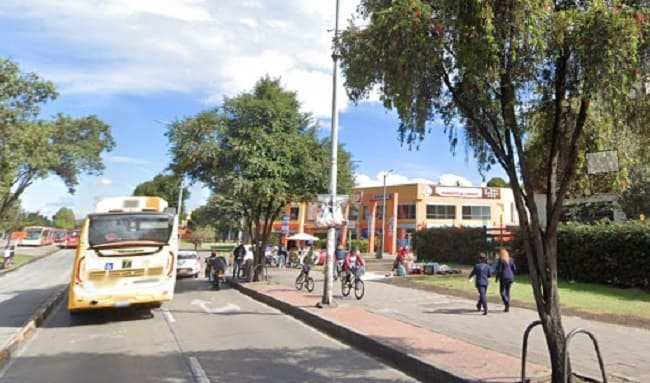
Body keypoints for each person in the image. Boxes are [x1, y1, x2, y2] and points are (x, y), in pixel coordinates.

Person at [495, 247, 517, 312]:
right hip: (510, 277)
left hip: (503, 277)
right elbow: (514, 268)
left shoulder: (501, 260)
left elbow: (499, 270)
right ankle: (507, 307)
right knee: (507, 291)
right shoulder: (511, 259)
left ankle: (506, 302)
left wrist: (497, 278)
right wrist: (512, 274)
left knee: (502, 292)